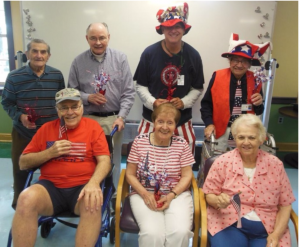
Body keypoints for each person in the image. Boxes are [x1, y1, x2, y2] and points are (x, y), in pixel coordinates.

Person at [11, 88, 111, 246]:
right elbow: (23, 162)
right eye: (64, 108)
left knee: (92, 203)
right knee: (25, 199)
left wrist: (93, 183)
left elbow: (105, 161)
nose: (70, 112)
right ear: (57, 110)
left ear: (82, 107)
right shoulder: (46, 129)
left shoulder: (93, 128)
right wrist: (49, 152)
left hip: (83, 187)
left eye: (74, 106)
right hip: (50, 189)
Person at [203, 114, 295, 247]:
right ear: (235, 138)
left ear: (261, 139)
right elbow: (208, 195)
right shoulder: (222, 162)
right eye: (241, 137)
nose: (246, 142)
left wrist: (276, 235)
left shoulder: (275, 165)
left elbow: (285, 204)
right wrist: (217, 200)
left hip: (268, 229)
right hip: (229, 224)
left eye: (251, 137)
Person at [68, 22, 135, 187]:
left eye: (102, 38)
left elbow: (129, 93)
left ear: (108, 37)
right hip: (87, 121)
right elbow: (71, 93)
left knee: (113, 160)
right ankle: (90, 194)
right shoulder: (78, 62)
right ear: (87, 39)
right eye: (93, 38)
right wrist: (87, 97)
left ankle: (112, 197)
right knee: (88, 161)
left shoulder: (120, 59)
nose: (98, 42)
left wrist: (121, 117)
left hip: (113, 121)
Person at [1, 39, 65, 210]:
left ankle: (50, 203)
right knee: (21, 170)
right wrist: (20, 116)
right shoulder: (14, 76)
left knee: (53, 169)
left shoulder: (57, 75)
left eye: (43, 52)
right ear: (28, 54)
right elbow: (7, 103)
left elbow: (61, 102)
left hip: (50, 134)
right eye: (35, 51)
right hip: (23, 133)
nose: (39, 55)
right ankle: (19, 205)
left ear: (48, 56)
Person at [134, 2, 205, 155]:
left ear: (184, 29)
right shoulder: (149, 53)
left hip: (182, 124)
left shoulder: (193, 55)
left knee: (182, 169)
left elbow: (198, 87)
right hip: (150, 122)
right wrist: (153, 102)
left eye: (178, 26)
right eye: (169, 26)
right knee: (146, 167)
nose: (173, 30)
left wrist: (184, 102)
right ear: (162, 29)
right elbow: (140, 85)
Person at [126, 103, 195, 247]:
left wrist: (171, 195)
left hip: (176, 195)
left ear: (175, 126)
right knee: (152, 234)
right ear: (154, 123)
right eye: (160, 121)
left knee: (180, 232)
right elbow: (130, 174)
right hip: (144, 194)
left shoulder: (182, 144)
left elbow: (187, 176)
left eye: (170, 122)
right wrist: (145, 194)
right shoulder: (139, 142)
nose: (164, 127)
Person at [201, 33, 270, 152]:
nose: (239, 65)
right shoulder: (218, 76)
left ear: (249, 64)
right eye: (235, 60)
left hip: (246, 132)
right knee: (218, 162)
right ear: (229, 61)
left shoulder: (256, 79)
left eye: (244, 61)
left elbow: (259, 111)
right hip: (221, 130)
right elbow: (206, 104)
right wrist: (209, 124)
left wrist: (259, 104)